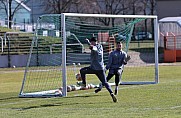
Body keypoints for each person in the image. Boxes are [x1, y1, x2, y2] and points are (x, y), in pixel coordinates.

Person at [79, 36, 117, 102]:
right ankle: (111, 93)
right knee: (105, 82)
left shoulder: (95, 47)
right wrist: (88, 42)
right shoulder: (100, 46)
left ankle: (84, 83)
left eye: (91, 42)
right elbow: (93, 47)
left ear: (93, 42)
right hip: (101, 69)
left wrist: (89, 44)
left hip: (94, 68)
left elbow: (93, 48)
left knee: (82, 70)